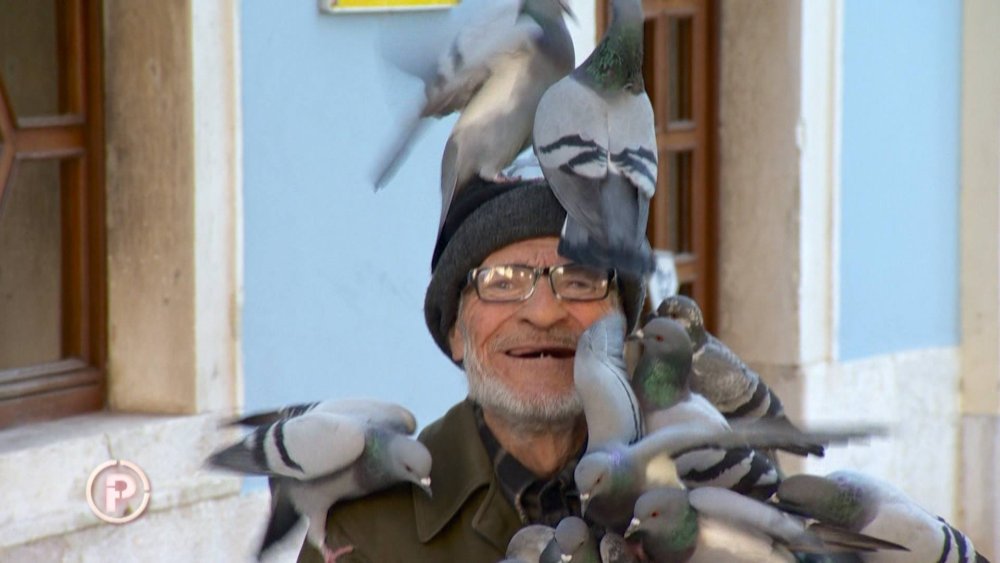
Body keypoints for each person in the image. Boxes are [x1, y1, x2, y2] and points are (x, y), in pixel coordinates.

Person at [297, 179, 644, 562]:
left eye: (580, 282)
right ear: (456, 333)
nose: (544, 314)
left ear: (621, 322)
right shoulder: (362, 534)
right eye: (503, 283)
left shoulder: (683, 485)